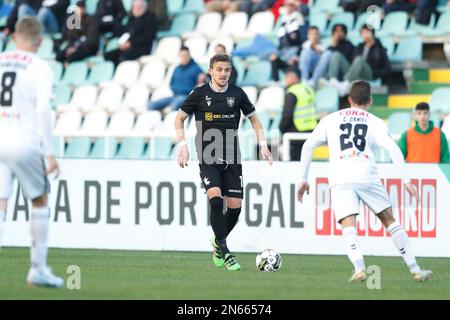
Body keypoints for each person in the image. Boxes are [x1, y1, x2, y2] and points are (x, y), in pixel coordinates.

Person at [297, 80, 432, 282]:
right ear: (370, 101)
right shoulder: (375, 121)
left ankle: (359, 267)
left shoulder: (330, 119)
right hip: (366, 173)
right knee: (389, 220)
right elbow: (393, 149)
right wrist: (406, 180)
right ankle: (415, 268)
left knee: (348, 223)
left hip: (340, 175)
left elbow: (307, 146)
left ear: (349, 100)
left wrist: (303, 179)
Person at [174, 53, 273, 271]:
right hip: (208, 156)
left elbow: (255, 120)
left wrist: (263, 143)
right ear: (210, 71)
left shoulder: (237, 94)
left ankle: (218, 242)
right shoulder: (199, 93)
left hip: (232, 157)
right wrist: (183, 145)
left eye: (227, 70)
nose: (223, 74)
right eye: (219, 69)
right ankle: (226, 252)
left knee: (235, 209)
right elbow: (179, 118)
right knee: (216, 201)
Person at [0, 17, 64, 287]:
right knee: (40, 199)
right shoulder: (40, 67)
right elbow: (43, 110)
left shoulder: (1, 59)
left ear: (15, 37)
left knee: (0, 203)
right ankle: (38, 268)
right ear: (40, 41)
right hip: (23, 141)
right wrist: (49, 152)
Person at [323, 24, 391, 97]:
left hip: (369, 74)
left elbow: (387, 69)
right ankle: (333, 81)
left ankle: (345, 85)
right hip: (355, 73)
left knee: (359, 59)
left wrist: (374, 73)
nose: (365, 35)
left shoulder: (379, 48)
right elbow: (351, 61)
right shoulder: (359, 47)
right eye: (363, 33)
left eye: (368, 32)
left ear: (372, 33)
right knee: (336, 55)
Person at [148, 47, 204, 112]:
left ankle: (168, 111)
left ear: (189, 56)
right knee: (156, 103)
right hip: (175, 95)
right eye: (182, 56)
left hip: (188, 97)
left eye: (186, 56)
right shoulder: (177, 69)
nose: (184, 58)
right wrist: (177, 89)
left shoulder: (197, 69)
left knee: (178, 101)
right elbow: (171, 84)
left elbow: (201, 85)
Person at [104, 0, 157, 66]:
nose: (136, 9)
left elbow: (147, 37)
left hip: (142, 47)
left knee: (123, 57)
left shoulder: (150, 17)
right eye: (134, 7)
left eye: (139, 7)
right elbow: (126, 32)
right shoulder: (132, 18)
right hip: (128, 46)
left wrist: (131, 43)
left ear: (144, 8)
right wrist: (123, 43)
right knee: (108, 56)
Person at [279, 67, 316, 160]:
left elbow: (287, 115)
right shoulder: (308, 89)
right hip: (311, 130)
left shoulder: (292, 92)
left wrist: (281, 129)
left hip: (296, 131)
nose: (285, 79)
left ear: (295, 77)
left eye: (288, 76)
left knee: (295, 163)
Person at [269, 0, 305, 82]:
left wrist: (296, 56)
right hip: (285, 52)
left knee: (293, 62)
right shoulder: (283, 21)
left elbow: (302, 42)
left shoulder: (299, 19)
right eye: (286, 5)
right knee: (273, 58)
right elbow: (281, 43)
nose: (288, 7)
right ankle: (276, 82)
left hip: (295, 53)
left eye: (290, 5)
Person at [311, 23, 354, 88]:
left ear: (345, 33)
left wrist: (335, 45)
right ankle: (318, 81)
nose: (338, 33)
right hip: (332, 71)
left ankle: (332, 81)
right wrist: (334, 45)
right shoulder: (331, 47)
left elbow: (343, 57)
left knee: (335, 55)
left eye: (341, 31)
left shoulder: (348, 44)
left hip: (346, 72)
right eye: (336, 31)